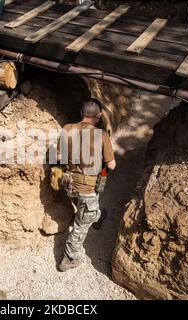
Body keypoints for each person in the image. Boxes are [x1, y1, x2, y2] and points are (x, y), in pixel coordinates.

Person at [57, 99, 116, 272]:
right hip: (88, 189)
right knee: (80, 225)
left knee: (86, 209)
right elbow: (111, 165)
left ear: (81, 114)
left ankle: (96, 217)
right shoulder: (102, 135)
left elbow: (59, 157)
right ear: (97, 117)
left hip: (69, 185)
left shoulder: (67, 129)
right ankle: (69, 258)